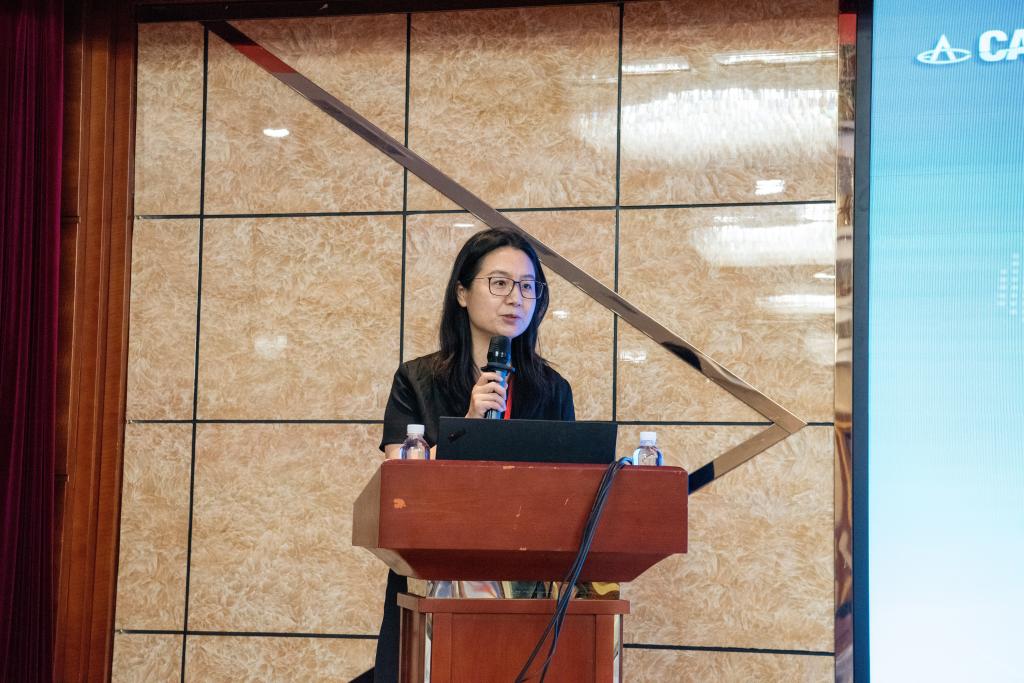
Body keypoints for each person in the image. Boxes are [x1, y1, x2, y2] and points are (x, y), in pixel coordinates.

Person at [371, 227, 575, 682]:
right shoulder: (416, 380)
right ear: (462, 293)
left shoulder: (552, 390)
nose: (515, 298)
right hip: (433, 580)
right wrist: (467, 424)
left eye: (528, 286)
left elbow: (566, 494)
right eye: (500, 283)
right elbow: (399, 484)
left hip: (524, 587)